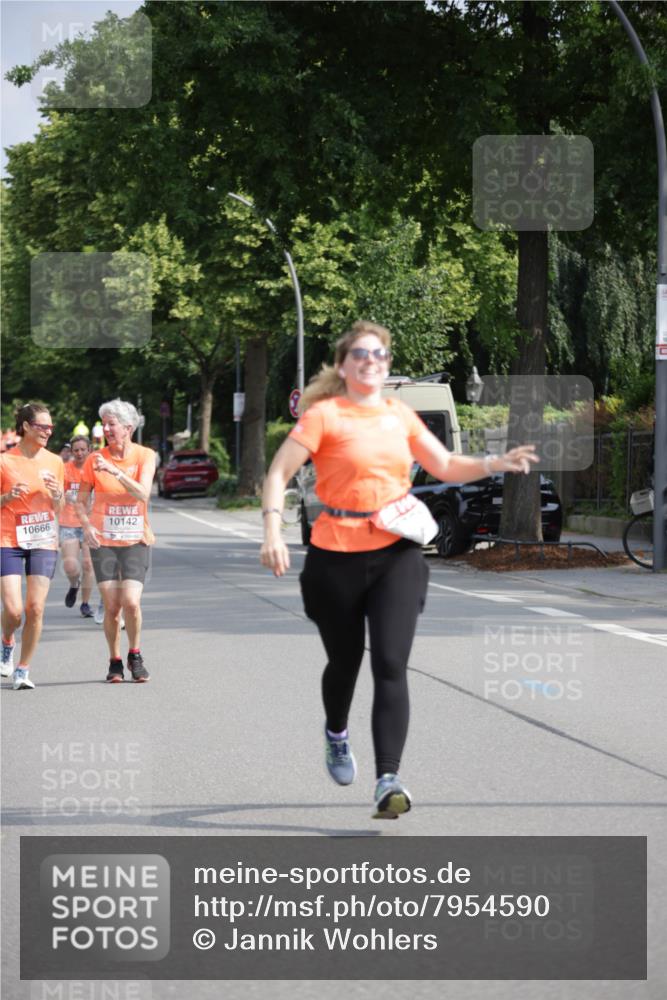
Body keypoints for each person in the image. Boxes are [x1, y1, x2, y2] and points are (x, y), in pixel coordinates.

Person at [260, 321, 538, 819]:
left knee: (390, 663)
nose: (372, 361)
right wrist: (272, 531)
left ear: (386, 365)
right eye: (362, 354)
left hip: (396, 553)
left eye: (380, 354)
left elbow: (447, 464)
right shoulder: (324, 416)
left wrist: (496, 461)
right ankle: (336, 733)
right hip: (334, 554)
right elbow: (279, 473)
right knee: (345, 662)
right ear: (344, 366)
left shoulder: (400, 416)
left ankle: (388, 778)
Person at [76, 399, 155, 683]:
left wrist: (117, 472)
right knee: (112, 607)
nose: (106, 429)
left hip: (135, 539)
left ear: (128, 427)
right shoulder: (93, 460)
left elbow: (143, 494)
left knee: (131, 602)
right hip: (104, 542)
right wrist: (85, 526)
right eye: (105, 423)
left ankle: (135, 654)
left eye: (112, 424)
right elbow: (81, 500)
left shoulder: (145, 456)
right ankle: (115, 661)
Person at [1, 403, 64, 689]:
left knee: (35, 608)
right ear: (26, 426)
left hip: (42, 539)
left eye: (50, 427)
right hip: (8, 539)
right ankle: (7, 641)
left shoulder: (54, 462)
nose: (48, 432)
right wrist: (7, 497)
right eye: (42, 427)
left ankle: (22, 670)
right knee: (14, 611)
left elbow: (60, 506)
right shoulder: (5, 461)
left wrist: (57, 493)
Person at [60, 435, 96, 617]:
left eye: (83, 449)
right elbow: (56, 494)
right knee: (70, 566)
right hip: (69, 523)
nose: (80, 453)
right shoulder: (65, 470)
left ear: (89, 450)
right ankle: (74, 584)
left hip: (90, 524)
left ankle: (85, 604)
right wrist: (61, 496)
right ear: (71, 452)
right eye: (76, 450)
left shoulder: (96, 470)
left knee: (89, 564)